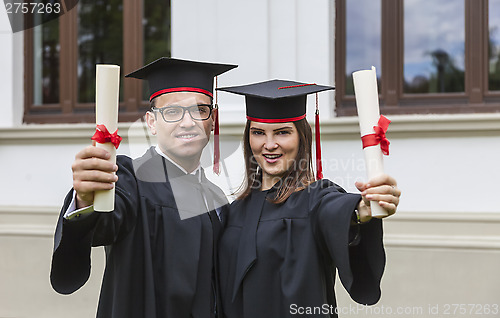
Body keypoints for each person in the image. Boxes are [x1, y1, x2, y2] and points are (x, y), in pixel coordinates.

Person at [50, 57, 237, 318]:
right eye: (172, 112)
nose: (187, 122)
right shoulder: (130, 179)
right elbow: (106, 220)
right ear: (151, 122)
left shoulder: (216, 199)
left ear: (212, 119)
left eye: (199, 110)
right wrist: (85, 198)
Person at [216, 79, 401, 318]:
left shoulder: (315, 199)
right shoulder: (232, 212)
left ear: (301, 137)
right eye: (258, 132)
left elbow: (336, 210)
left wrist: (361, 210)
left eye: (282, 132)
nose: (269, 144)